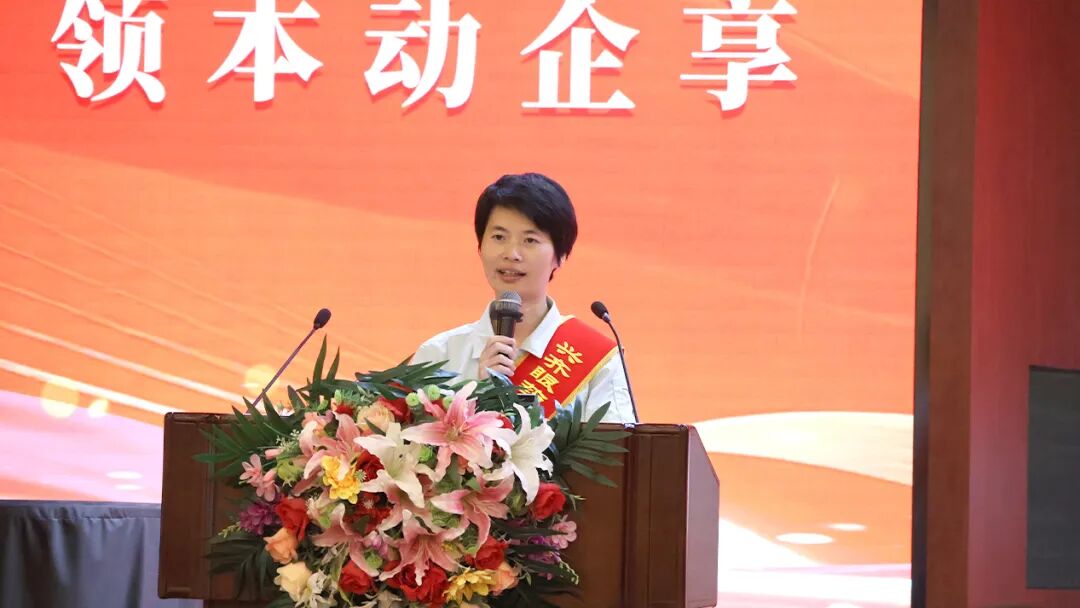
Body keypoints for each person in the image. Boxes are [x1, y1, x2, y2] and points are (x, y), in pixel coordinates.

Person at [411, 173, 636, 423]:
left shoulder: (597, 361)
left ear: (560, 256)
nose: (512, 253)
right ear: (480, 246)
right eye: (499, 237)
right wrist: (480, 393)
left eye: (529, 240)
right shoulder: (438, 355)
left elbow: (617, 444)